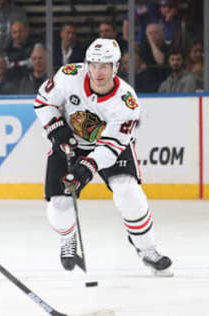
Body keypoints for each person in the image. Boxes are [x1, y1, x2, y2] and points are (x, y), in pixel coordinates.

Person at [33, 38, 173, 277]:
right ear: (87, 63)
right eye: (94, 65)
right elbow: (43, 101)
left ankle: (147, 249)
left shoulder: (126, 101)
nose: (98, 72)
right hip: (70, 142)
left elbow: (111, 145)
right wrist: (56, 128)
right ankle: (68, 238)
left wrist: (87, 166)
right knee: (60, 204)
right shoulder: (69, 76)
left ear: (116, 67)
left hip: (108, 146)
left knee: (128, 192)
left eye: (105, 66)